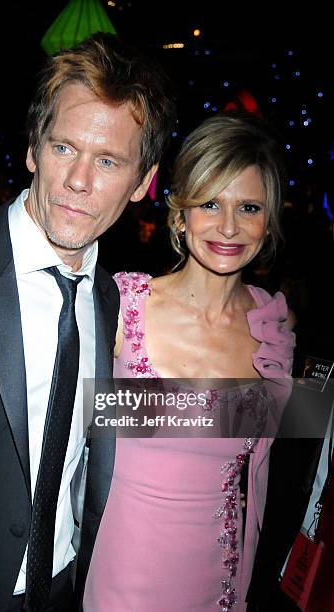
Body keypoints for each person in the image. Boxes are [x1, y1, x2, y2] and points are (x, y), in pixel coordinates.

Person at [0, 33, 176, 612]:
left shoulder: (122, 309)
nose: (79, 179)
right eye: (63, 148)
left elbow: (180, 423)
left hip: (65, 590)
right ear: (32, 149)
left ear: (143, 182)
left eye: (108, 160)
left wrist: (294, 390)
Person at [77, 111, 296, 611]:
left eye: (249, 207)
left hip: (217, 581)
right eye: (210, 203)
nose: (228, 227)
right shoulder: (119, 305)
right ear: (180, 213)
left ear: (269, 220)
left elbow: (278, 467)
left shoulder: (272, 326)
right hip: (121, 577)